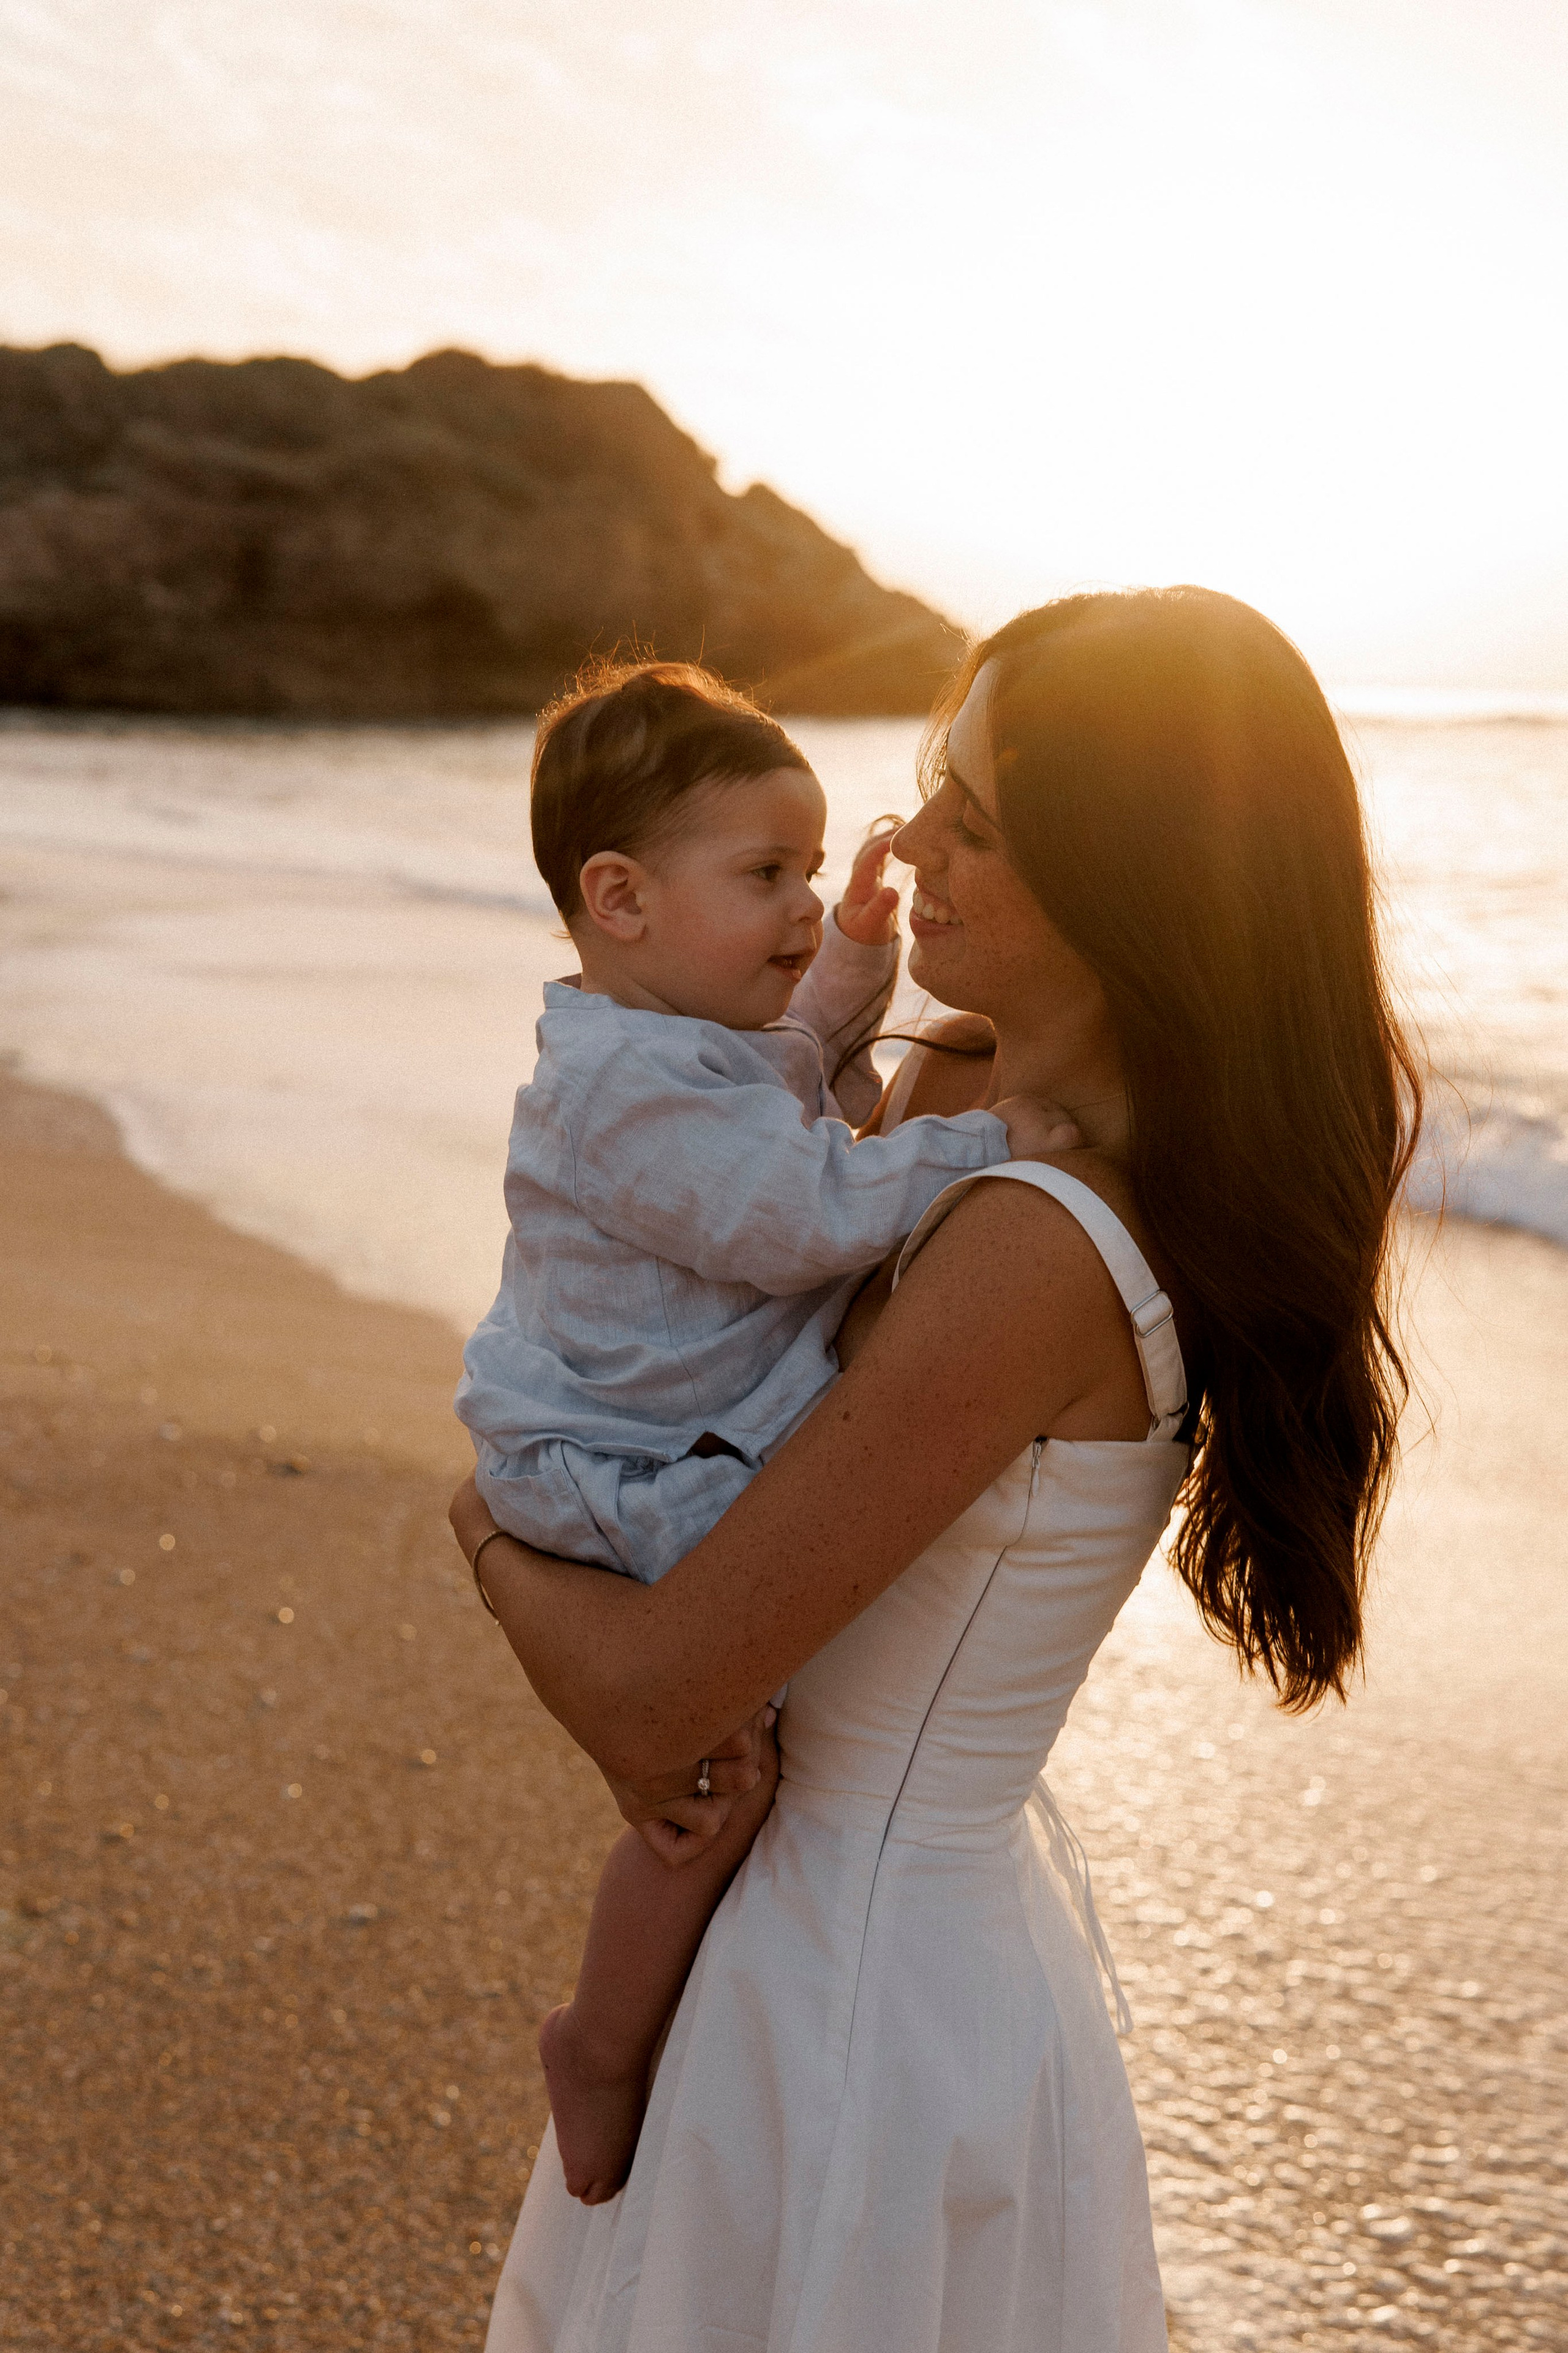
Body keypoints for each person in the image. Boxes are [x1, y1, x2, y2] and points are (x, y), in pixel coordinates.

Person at [451, 587, 1421, 2352]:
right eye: (927, 785)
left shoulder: (1040, 1243)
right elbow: (732, 1208)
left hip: (861, 1999)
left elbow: (660, 1694)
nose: (912, 844)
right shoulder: (944, 1089)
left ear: (1133, 877)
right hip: (791, 1924)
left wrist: (485, 1533)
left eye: (980, 819)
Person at [457, 659, 1077, 2204]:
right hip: (627, 1467)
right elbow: (794, 1199)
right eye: (767, 876)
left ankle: (620, 2024)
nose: (811, 900)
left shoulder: (666, 1030)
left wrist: (852, 961)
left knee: (719, 1764)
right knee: (709, 1763)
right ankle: (602, 2033)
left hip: (646, 1437)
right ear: (619, 897)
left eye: (809, 872)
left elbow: (784, 1058)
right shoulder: (626, 1090)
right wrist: (982, 1143)